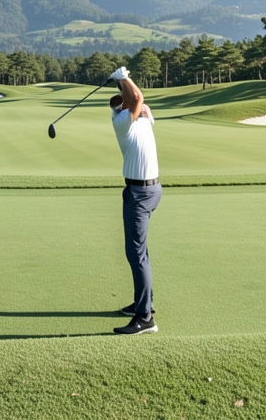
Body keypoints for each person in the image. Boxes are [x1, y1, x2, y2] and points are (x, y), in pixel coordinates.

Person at [107, 66, 160, 335]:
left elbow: (138, 98)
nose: (128, 103)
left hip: (142, 193)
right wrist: (122, 79)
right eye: (124, 103)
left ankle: (144, 317)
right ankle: (144, 304)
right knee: (139, 252)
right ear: (121, 110)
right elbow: (137, 99)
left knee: (136, 254)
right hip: (140, 191)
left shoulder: (139, 116)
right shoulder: (121, 123)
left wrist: (122, 81)